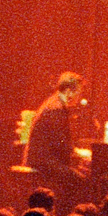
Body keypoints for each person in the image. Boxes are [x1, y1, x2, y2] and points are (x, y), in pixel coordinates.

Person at [27, 71, 92, 199]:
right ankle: (65, 210)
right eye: (78, 93)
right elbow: (60, 144)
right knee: (82, 181)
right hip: (43, 162)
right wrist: (79, 153)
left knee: (78, 174)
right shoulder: (56, 109)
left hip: (42, 159)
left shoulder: (53, 103)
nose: (79, 97)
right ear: (68, 91)